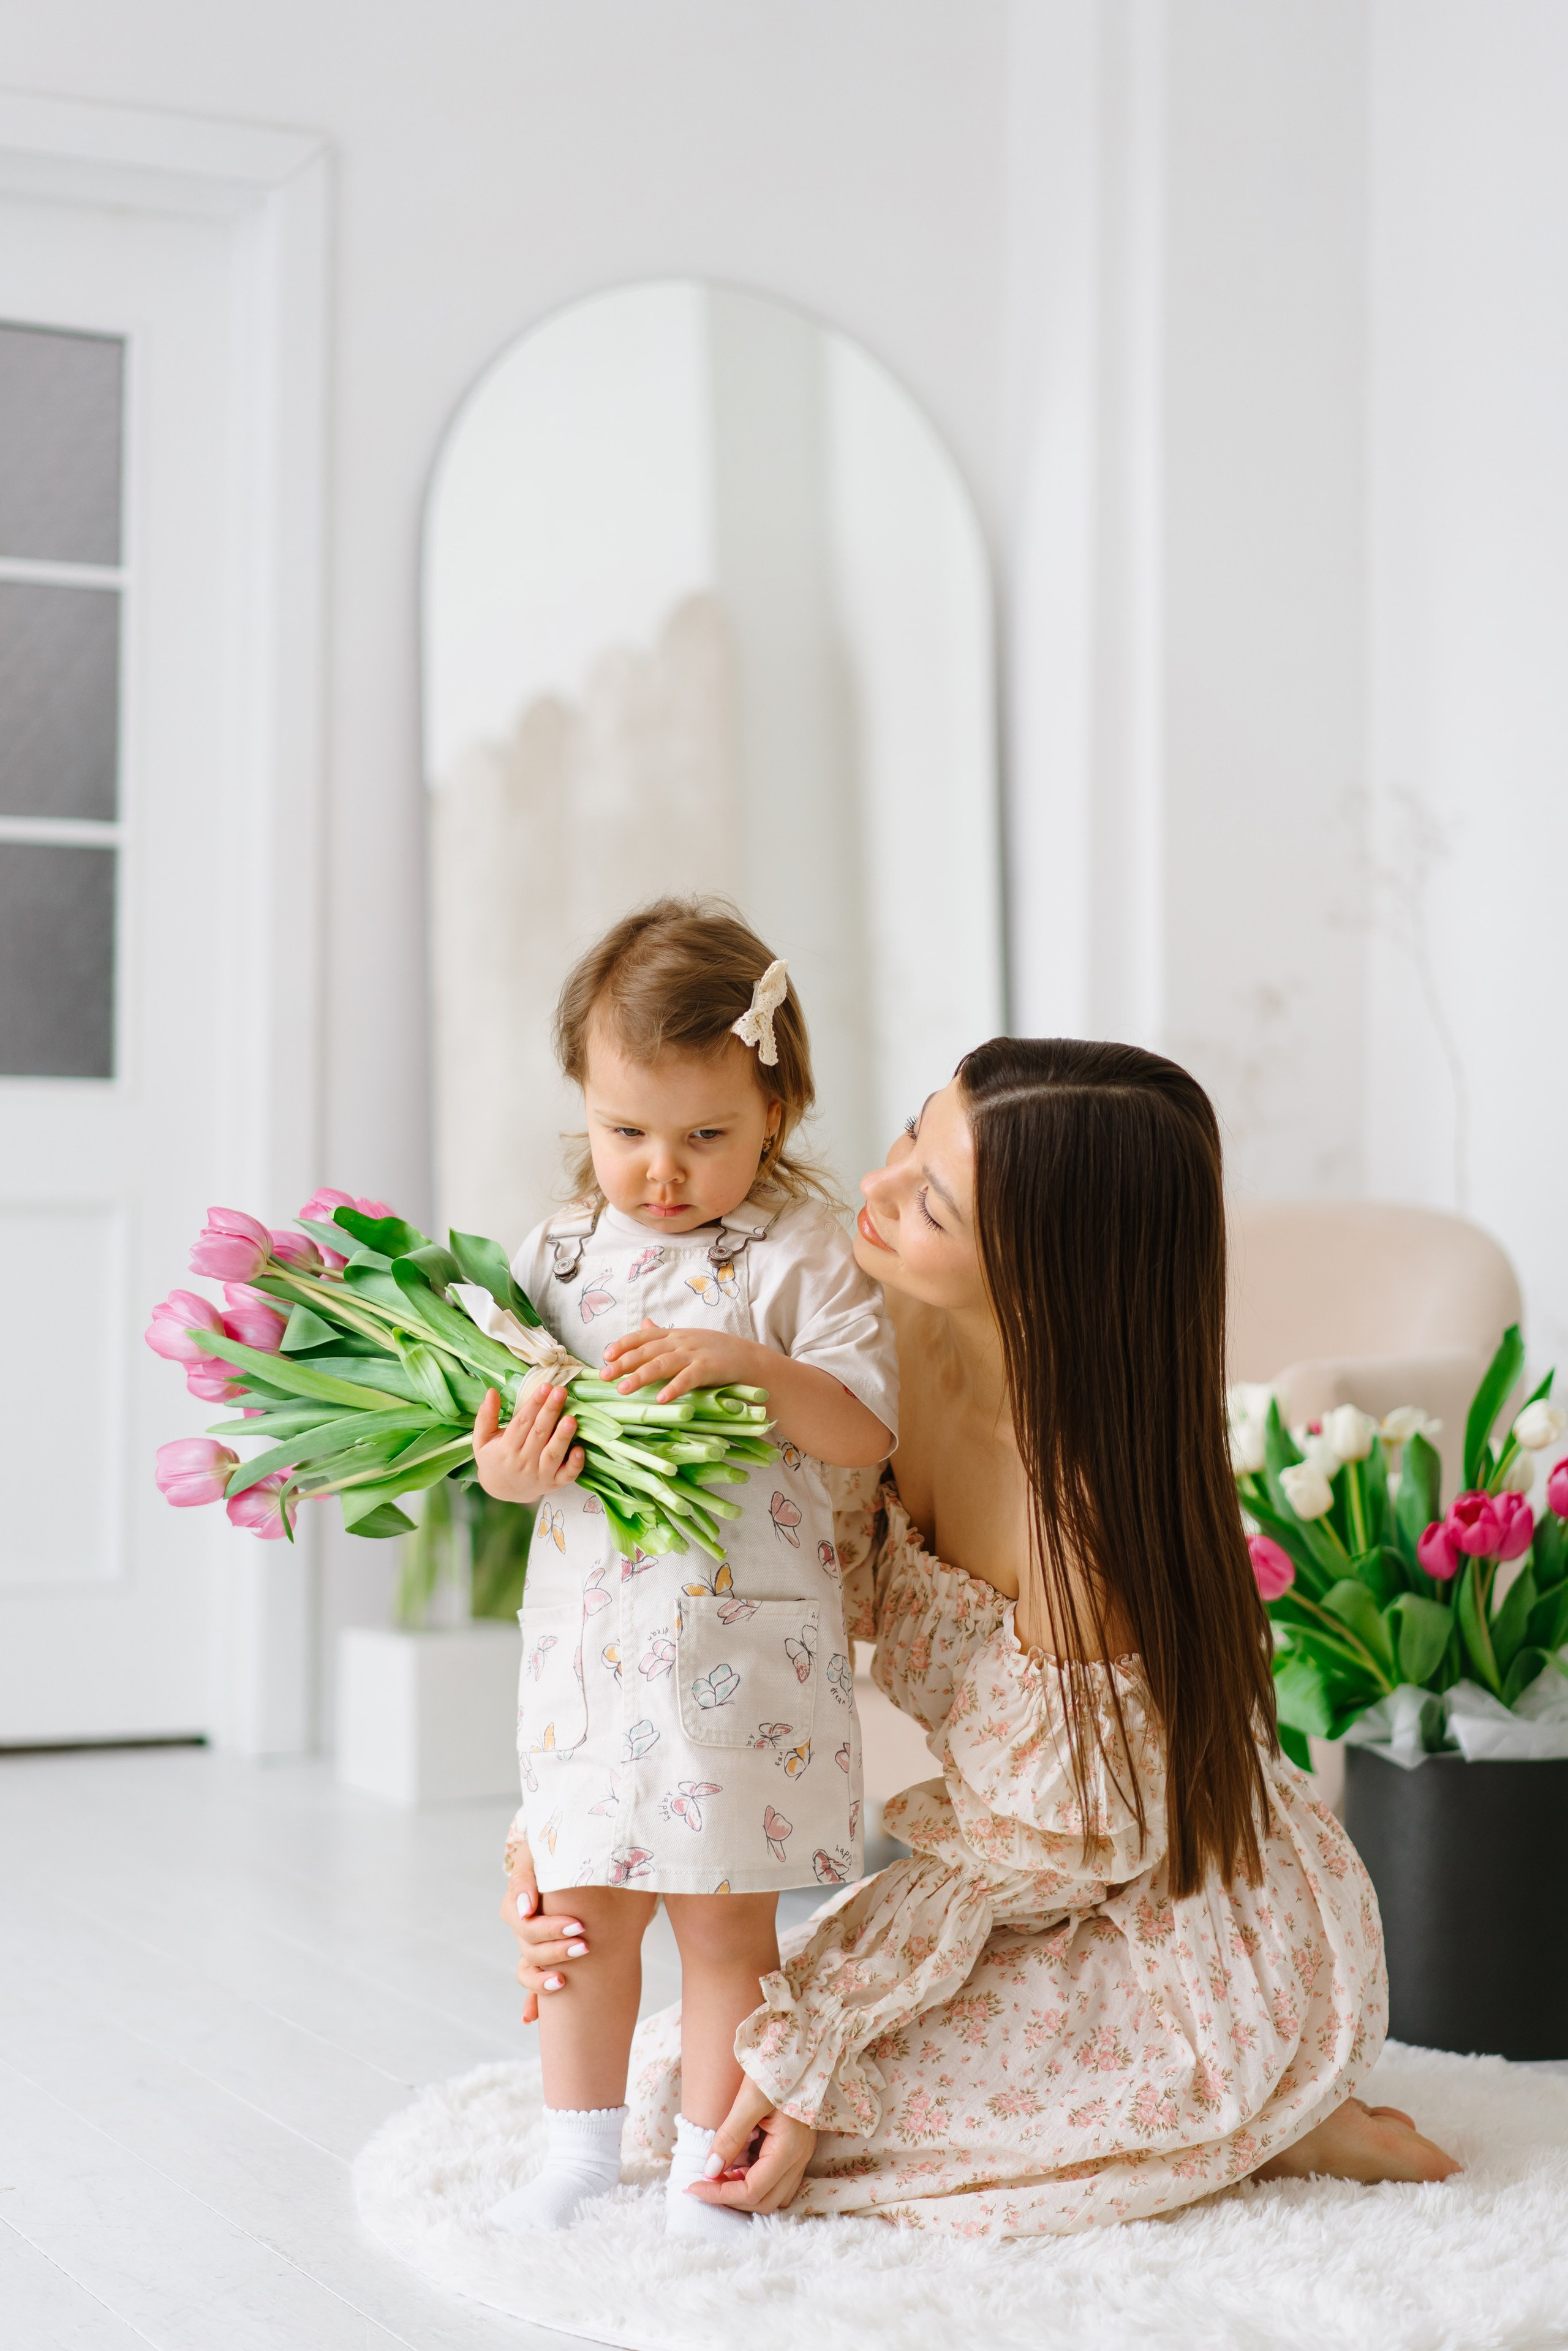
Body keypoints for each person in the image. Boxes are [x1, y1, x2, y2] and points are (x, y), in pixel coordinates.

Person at [506, 1038, 1460, 2235]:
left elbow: (1055, 1852)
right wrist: (572, 1815)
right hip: (999, 1875)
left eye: (932, 1202)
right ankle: (1228, 2121)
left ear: (1043, 1266)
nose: (874, 1186)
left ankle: (1269, 2107)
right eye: (911, 1134)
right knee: (682, 2075)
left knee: (798, 2101)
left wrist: (827, 2037)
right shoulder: (850, 1339)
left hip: (1146, 1904)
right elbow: (677, 1600)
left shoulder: (1075, 1512)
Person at [473, 899, 898, 2240]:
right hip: (590, 1655)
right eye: (626, 1132)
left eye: (705, 1135)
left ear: (776, 1107)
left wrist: (758, 1370)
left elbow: (866, 1428)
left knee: (724, 1929)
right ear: (585, 1108)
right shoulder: (554, 1257)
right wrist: (511, 1470)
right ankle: (577, 2150)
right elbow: (491, 1444)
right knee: (581, 1907)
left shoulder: (797, 1257)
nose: (660, 1171)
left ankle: (706, 2176)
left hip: (739, 1666)